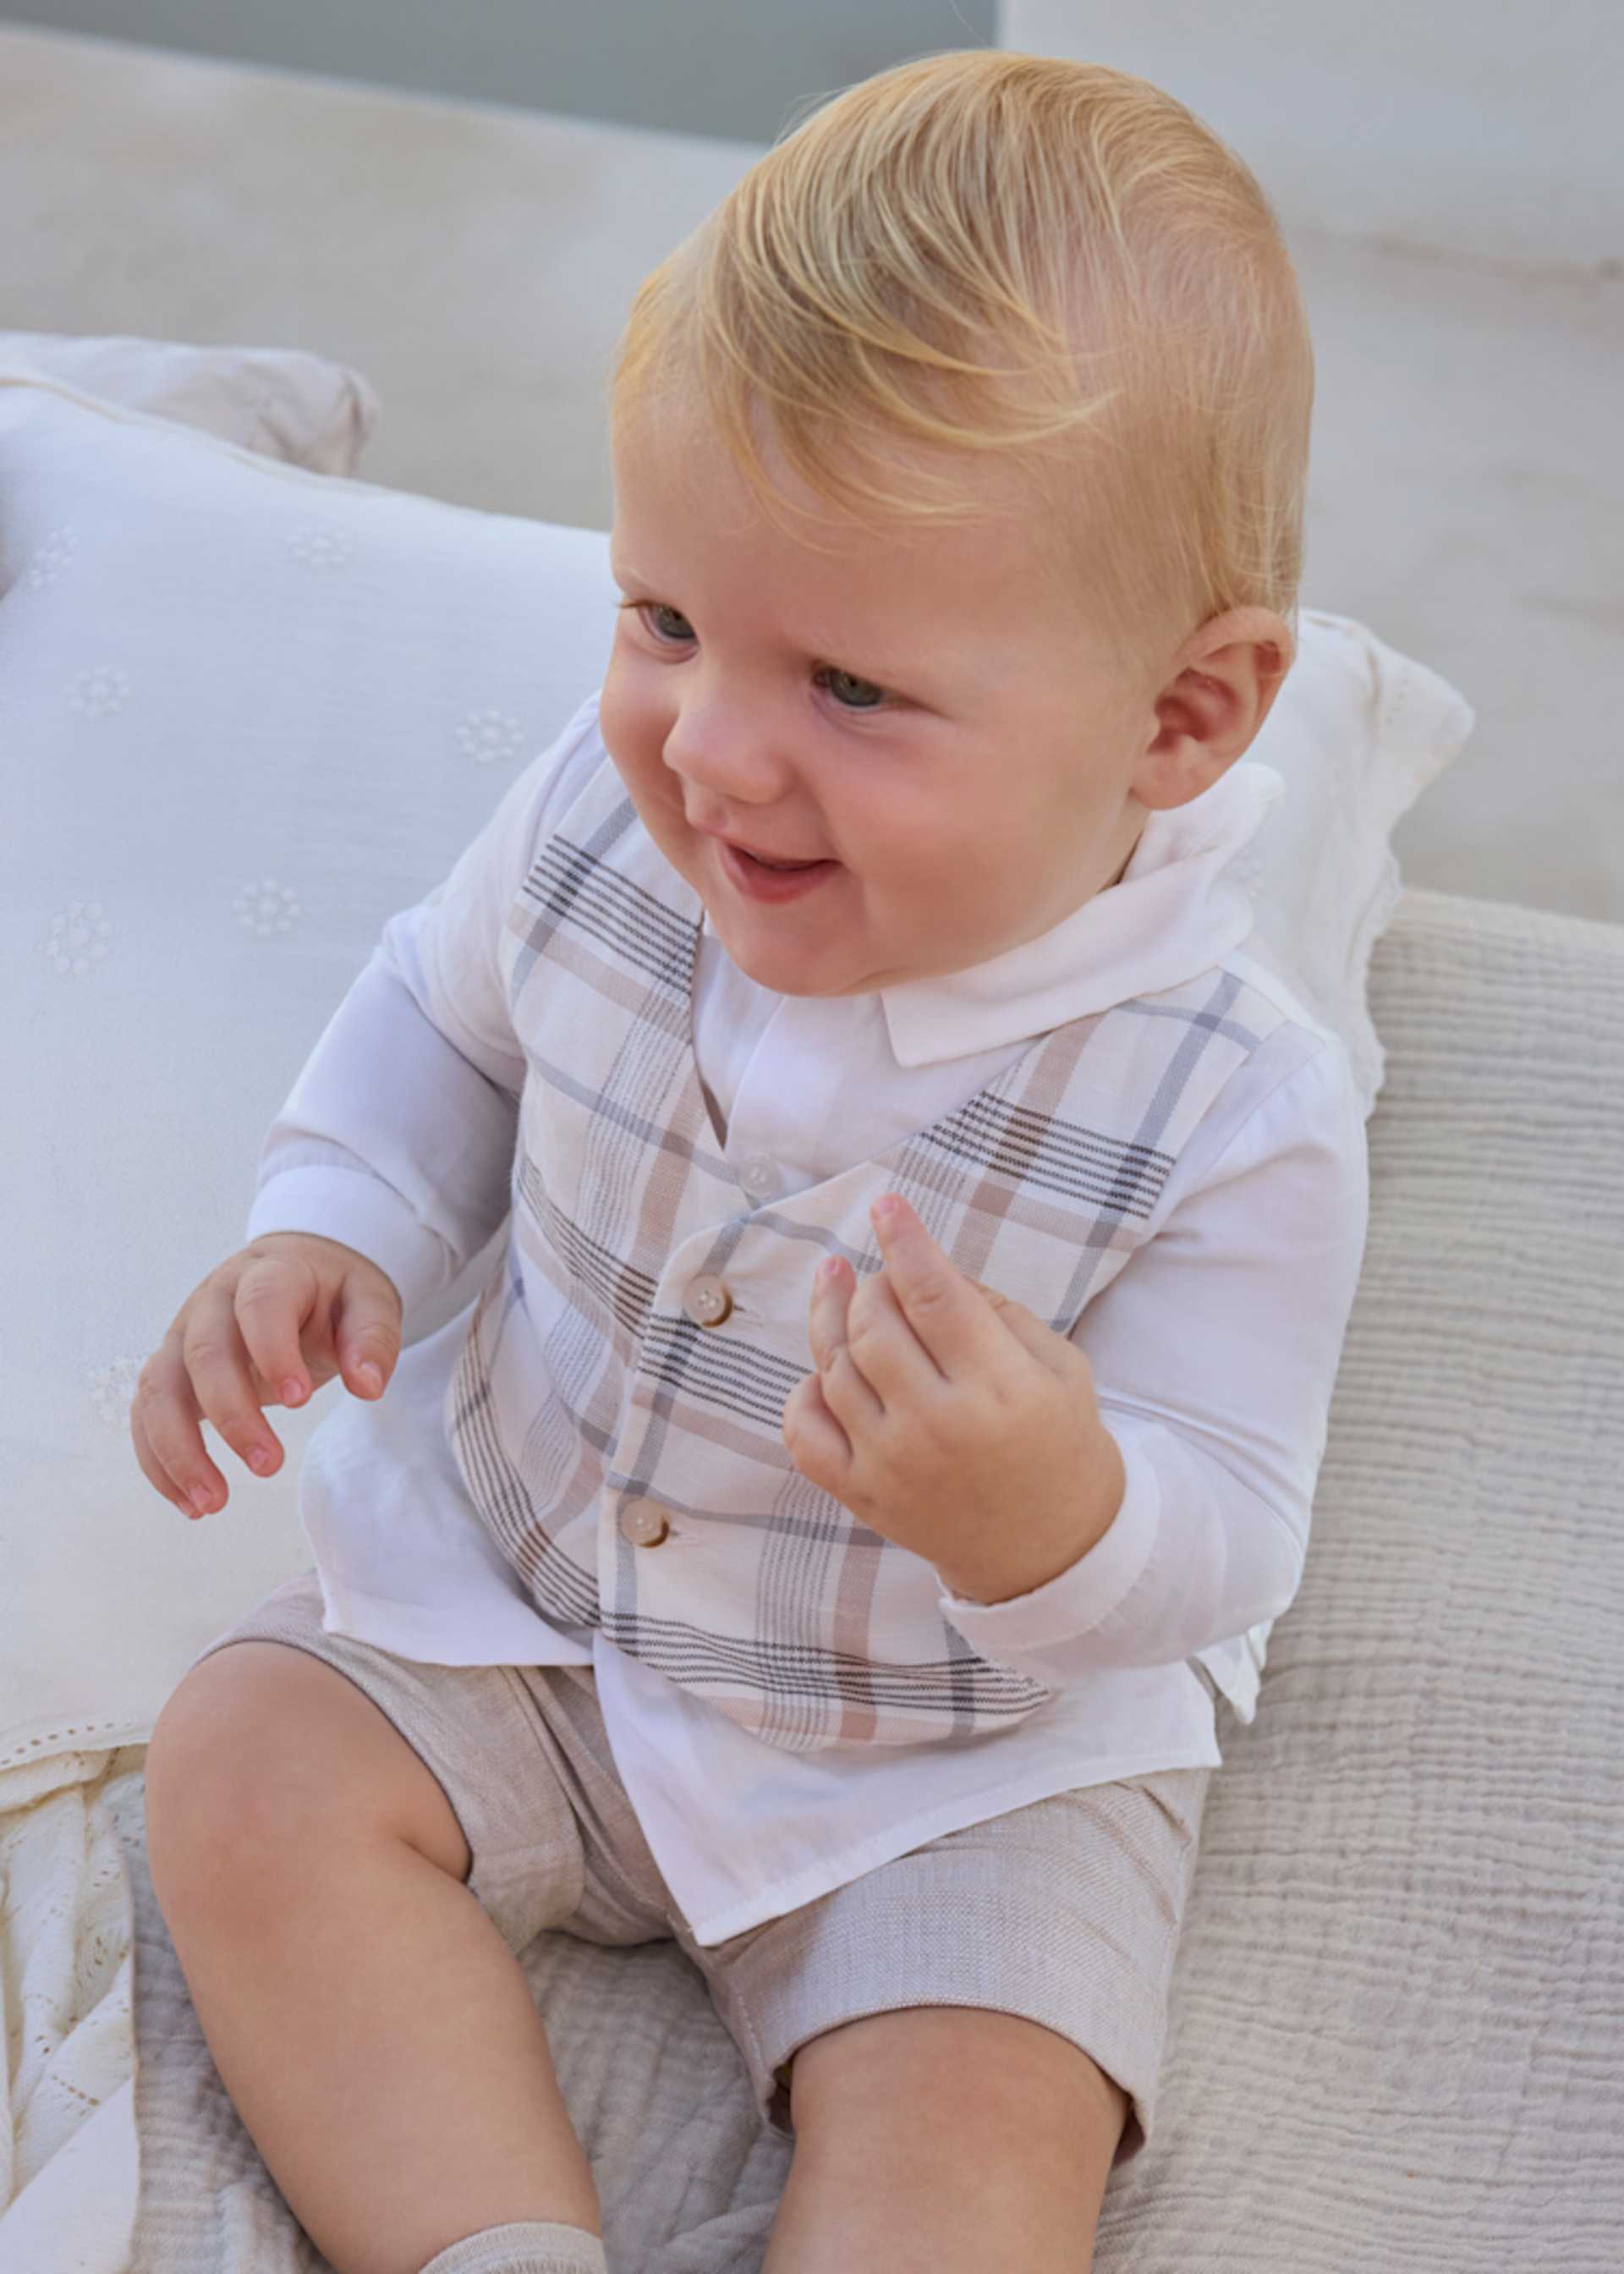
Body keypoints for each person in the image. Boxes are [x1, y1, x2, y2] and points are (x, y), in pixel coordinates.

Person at [129, 49, 1369, 2274]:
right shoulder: (619, 824)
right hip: (532, 1599)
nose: (712, 750)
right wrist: (339, 1217)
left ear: (1180, 719)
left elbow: (1227, 1526)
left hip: (947, 1752)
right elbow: (442, 1010)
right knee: (243, 1765)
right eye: (666, 622)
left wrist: (1054, 1515)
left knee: (993, 2110)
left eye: (854, 692)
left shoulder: (1224, 1100)